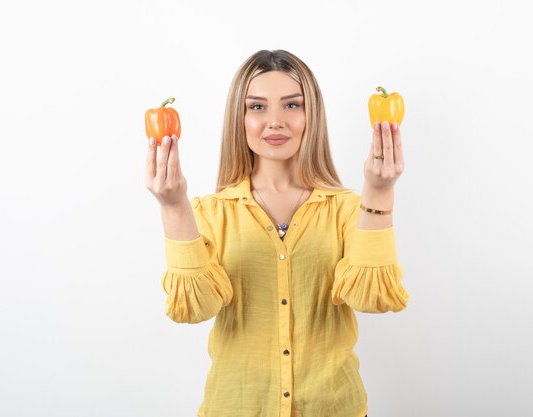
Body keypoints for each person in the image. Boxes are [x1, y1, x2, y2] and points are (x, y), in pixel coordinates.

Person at [145, 49, 409, 417]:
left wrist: (379, 191)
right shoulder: (210, 212)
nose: (274, 122)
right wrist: (173, 206)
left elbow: (373, 298)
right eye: (257, 107)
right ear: (239, 118)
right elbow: (193, 309)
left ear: (311, 114)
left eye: (291, 105)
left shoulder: (349, 209)